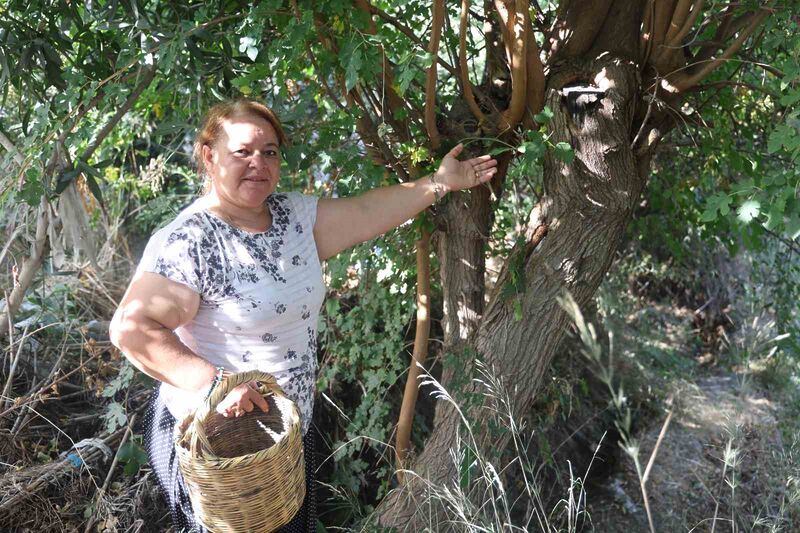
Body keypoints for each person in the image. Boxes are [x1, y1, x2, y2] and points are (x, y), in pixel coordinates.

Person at [109, 98, 498, 532]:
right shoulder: (191, 242)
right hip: (220, 449)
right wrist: (216, 386)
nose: (258, 163)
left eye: (270, 151)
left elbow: (368, 212)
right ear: (209, 155)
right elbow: (131, 330)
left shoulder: (292, 217)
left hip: (286, 434)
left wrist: (439, 183)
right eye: (243, 151)